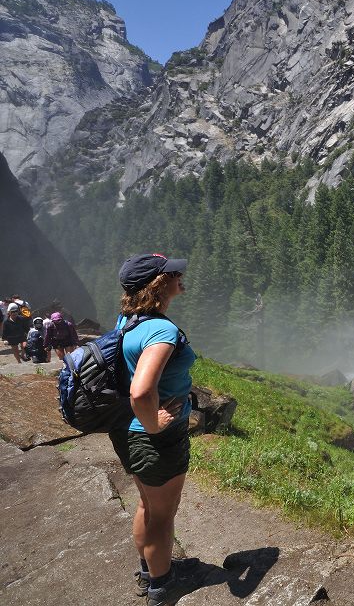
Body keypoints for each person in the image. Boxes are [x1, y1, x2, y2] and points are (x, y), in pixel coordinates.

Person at [107, 253, 196, 606]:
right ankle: (163, 586)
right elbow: (141, 391)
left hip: (125, 431)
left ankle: (149, 571)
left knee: (146, 505)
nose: (180, 275)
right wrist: (153, 424)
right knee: (162, 515)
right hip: (153, 438)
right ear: (158, 284)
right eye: (174, 273)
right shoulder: (161, 330)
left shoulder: (127, 321)